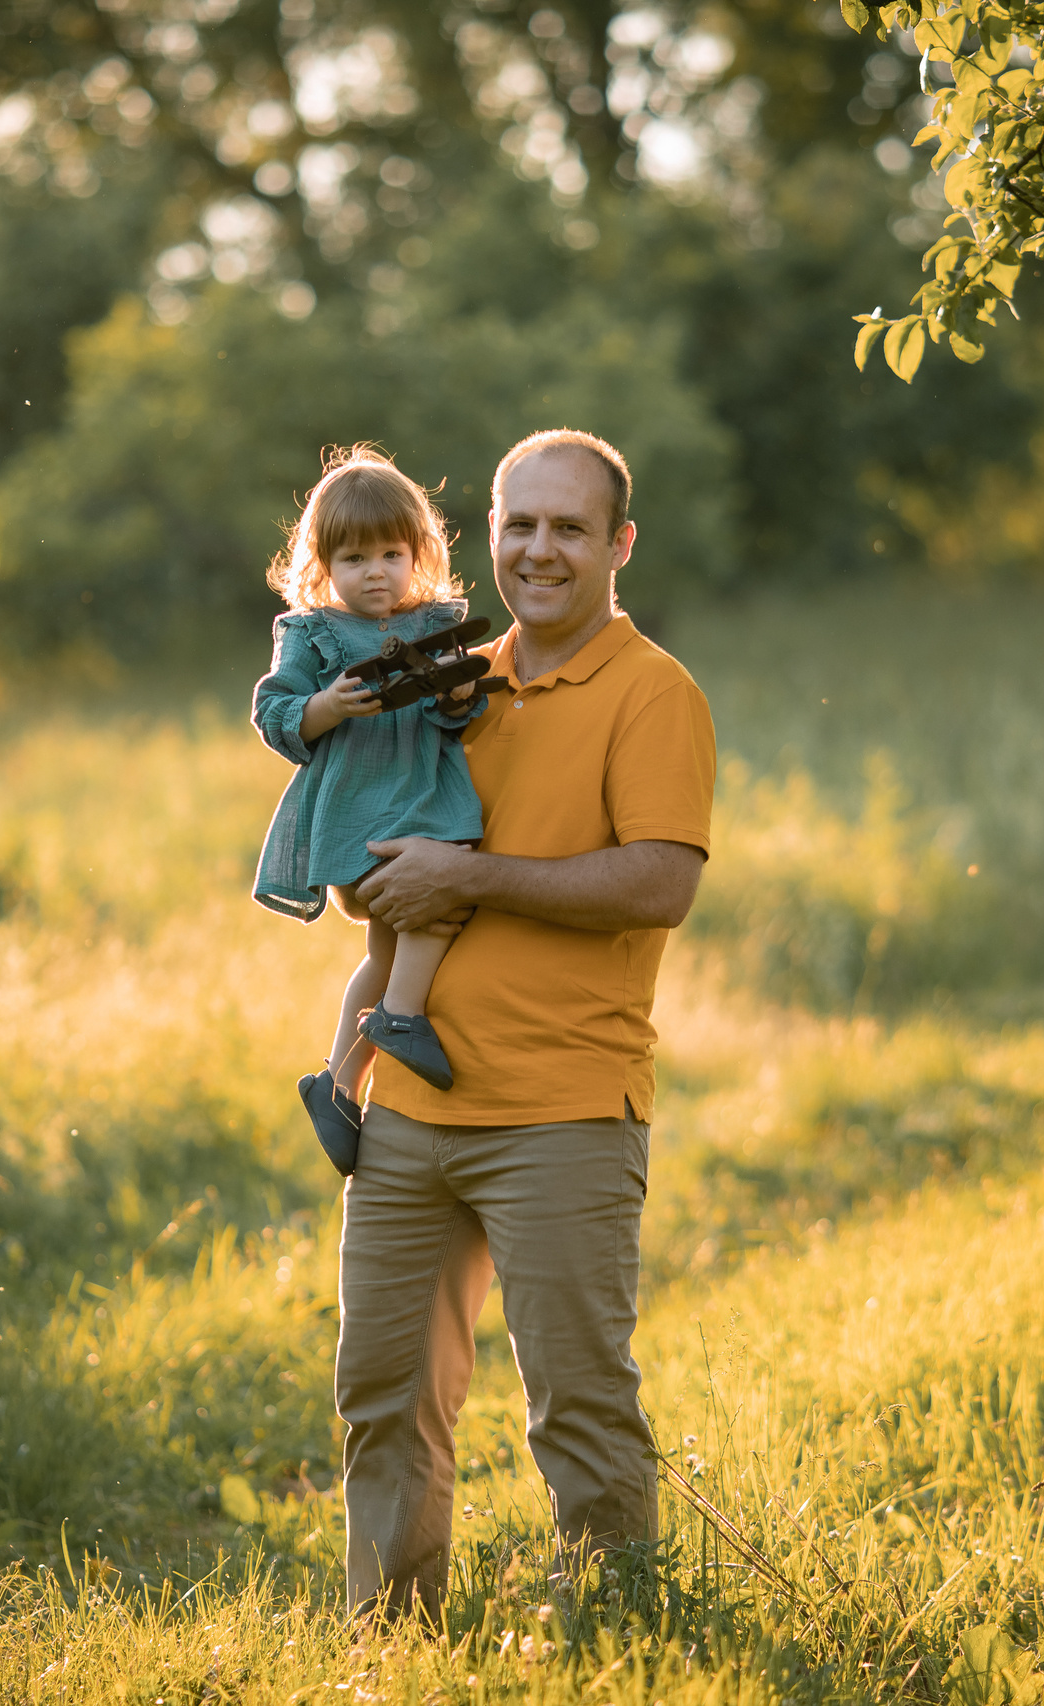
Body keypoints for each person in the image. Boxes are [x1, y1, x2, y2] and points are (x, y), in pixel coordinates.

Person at [332, 429, 716, 1622]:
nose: (539, 549)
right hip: (408, 1106)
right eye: (517, 524)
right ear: (486, 535)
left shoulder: (654, 692)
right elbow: (375, 854)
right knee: (384, 1398)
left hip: (560, 1108)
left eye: (567, 527)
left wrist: (470, 876)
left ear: (618, 545)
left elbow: (659, 879)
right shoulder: (445, 677)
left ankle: (619, 1643)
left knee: (579, 1402)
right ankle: (390, 1639)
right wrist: (373, 880)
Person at [251, 447, 490, 1174]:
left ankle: (336, 1080)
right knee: (439, 901)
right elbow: (274, 709)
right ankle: (401, 1019)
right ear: (323, 564)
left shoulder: (432, 622)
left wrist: (455, 700)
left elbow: (461, 711)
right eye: (355, 557)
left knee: (386, 953)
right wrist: (323, 707)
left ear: (418, 552)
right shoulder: (314, 632)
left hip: (421, 794)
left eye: (392, 552)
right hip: (361, 812)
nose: (377, 571)